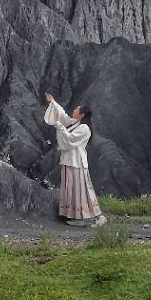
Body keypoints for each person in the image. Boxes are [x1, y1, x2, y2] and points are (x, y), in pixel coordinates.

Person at [43, 92, 106, 227]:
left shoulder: (84, 128)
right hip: (71, 161)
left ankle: (88, 216)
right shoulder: (76, 123)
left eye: (76, 110)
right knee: (73, 188)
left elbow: (70, 139)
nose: (73, 111)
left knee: (79, 189)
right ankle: (78, 215)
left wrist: (60, 127)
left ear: (81, 114)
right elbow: (63, 117)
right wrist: (53, 102)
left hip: (76, 162)